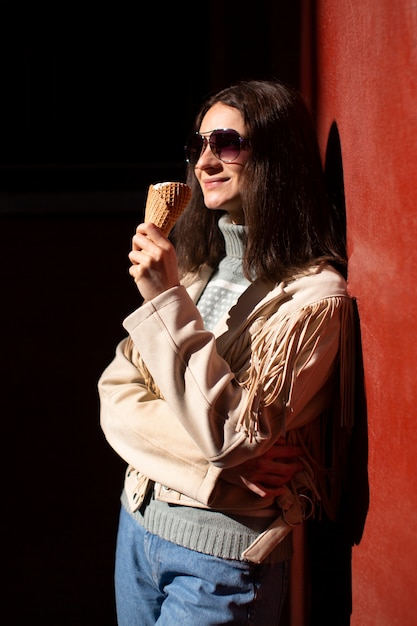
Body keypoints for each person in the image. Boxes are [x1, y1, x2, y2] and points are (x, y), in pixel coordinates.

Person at [98, 79, 355, 625]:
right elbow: (114, 395)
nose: (206, 161)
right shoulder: (195, 268)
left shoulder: (313, 299)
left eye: (228, 144)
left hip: (222, 557)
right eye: (198, 146)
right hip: (138, 522)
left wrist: (165, 301)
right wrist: (216, 470)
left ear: (277, 157)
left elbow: (235, 434)